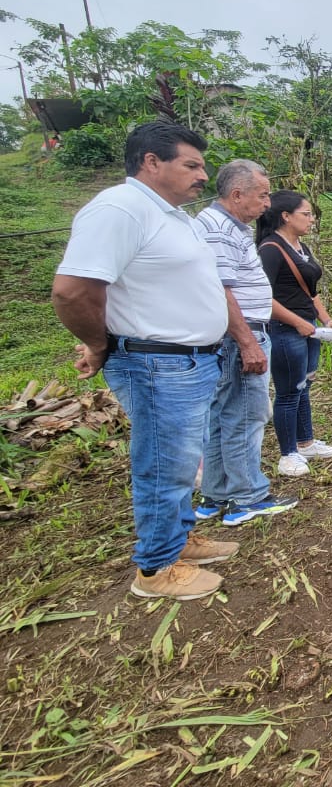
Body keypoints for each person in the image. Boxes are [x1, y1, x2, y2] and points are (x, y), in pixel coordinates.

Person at [51, 121, 235, 601]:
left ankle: (179, 538)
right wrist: (98, 344)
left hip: (188, 362)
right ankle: (156, 568)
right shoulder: (120, 209)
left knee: (183, 460)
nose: (202, 175)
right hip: (157, 364)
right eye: (191, 165)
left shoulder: (169, 215)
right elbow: (72, 291)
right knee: (163, 464)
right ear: (152, 162)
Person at [193, 160, 299, 525]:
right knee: (245, 415)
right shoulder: (220, 229)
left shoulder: (224, 226)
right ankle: (247, 496)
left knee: (224, 414)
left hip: (237, 333)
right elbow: (220, 291)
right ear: (237, 194)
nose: (267, 204)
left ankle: (215, 494)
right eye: (262, 195)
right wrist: (248, 342)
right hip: (241, 334)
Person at [257, 191, 332, 477]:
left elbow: (311, 292)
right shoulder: (270, 250)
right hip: (285, 330)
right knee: (288, 392)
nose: (311, 219)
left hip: (309, 327)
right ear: (286, 216)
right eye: (306, 214)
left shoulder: (300, 247)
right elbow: (263, 298)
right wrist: (297, 322)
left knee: (304, 386)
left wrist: (326, 319)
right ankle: (287, 454)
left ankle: (306, 443)